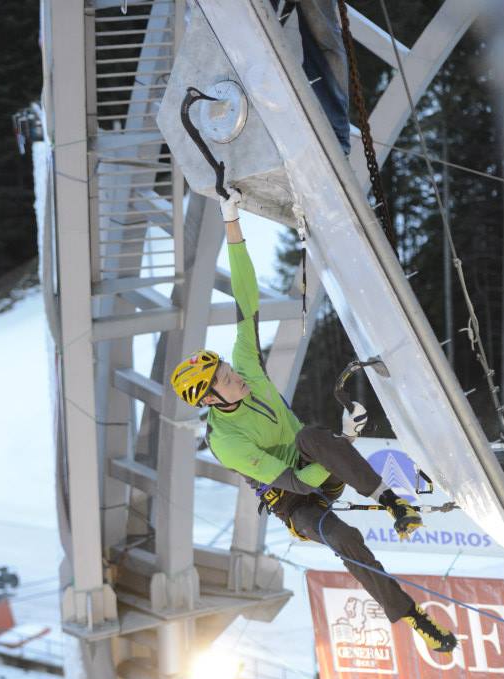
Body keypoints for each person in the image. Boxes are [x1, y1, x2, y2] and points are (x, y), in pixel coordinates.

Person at [170, 190, 457, 654]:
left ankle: (393, 503)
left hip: (312, 455)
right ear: (211, 398)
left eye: (229, 370)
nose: (237, 377)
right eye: (226, 379)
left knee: (308, 435)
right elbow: (302, 485)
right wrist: (344, 441)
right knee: (344, 536)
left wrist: (231, 220)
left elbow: (246, 296)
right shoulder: (228, 442)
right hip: (294, 499)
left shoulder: (244, 364)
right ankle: (410, 616)